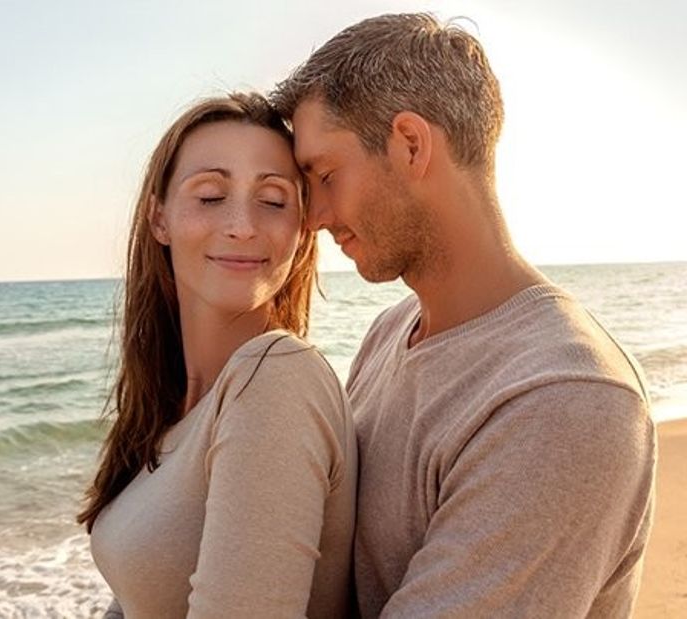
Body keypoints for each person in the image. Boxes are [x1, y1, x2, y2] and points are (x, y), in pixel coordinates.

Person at [271, 13, 656, 618]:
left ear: (411, 145)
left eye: (324, 175)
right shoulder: (390, 332)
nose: (312, 216)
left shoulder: (566, 398)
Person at [78, 93, 357, 618]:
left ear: (301, 231)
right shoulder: (172, 411)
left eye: (273, 201)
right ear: (159, 218)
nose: (243, 225)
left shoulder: (275, 376)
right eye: (210, 196)